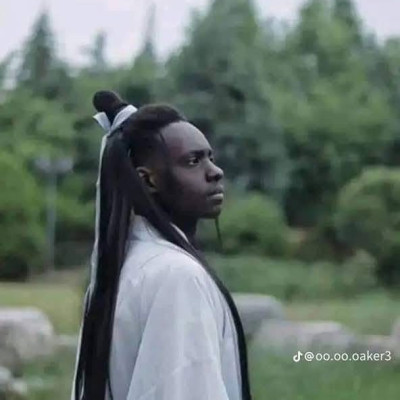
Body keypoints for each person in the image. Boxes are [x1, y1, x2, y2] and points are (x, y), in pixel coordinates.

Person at [71, 90, 253, 400]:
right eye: (193, 161)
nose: (215, 172)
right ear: (148, 180)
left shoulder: (138, 264)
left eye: (210, 157)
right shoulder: (176, 276)